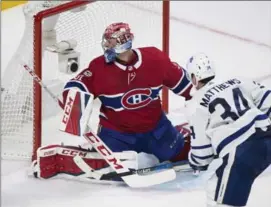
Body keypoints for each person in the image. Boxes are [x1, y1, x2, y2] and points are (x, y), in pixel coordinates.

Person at [32, 22, 192, 180]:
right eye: (106, 40)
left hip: (156, 129)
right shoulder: (99, 67)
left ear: (123, 42)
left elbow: (188, 87)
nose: (106, 44)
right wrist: (74, 100)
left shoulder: (155, 59)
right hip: (117, 133)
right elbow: (78, 84)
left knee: (182, 154)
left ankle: (184, 135)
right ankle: (58, 161)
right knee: (108, 169)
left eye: (110, 41)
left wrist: (204, 102)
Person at [185, 53, 271, 207]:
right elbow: (268, 101)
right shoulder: (238, 81)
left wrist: (194, 161)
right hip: (267, 137)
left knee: (217, 197)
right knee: (216, 186)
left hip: (241, 153)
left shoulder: (195, 105)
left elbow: (202, 154)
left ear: (194, 77)